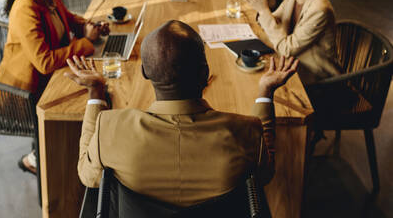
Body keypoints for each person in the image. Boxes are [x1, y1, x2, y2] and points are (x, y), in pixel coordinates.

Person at [65, 20, 298, 207]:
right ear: (205, 73)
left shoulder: (110, 127)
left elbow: (88, 177)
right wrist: (265, 92)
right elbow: (264, 173)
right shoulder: (246, 130)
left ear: (145, 73)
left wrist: (95, 92)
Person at [0, 0, 109, 174]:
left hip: (46, 80)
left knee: (99, 88)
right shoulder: (25, 8)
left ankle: (72, 152)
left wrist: (90, 26)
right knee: (92, 96)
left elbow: (68, 19)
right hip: (22, 93)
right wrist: (87, 43)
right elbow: (45, 62)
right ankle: (36, 159)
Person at [240, 0, 341, 86]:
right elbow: (276, 19)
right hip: (292, 66)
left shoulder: (319, 10)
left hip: (318, 80)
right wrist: (261, 11)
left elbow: (286, 49)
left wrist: (263, 11)